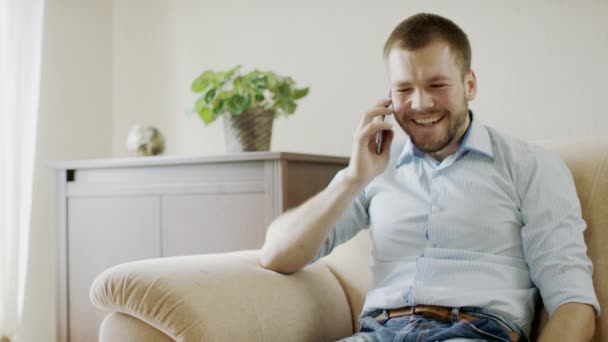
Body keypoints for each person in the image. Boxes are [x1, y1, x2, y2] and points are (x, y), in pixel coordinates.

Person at [260, 13, 599, 342]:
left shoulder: (530, 165)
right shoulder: (373, 168)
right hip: (378, 332)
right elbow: (276, 255)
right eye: (404, 89)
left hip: (477, 330)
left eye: (436, 84)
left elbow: (574, 303)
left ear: (470, 84)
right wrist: (353, 177)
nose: (420, 104)